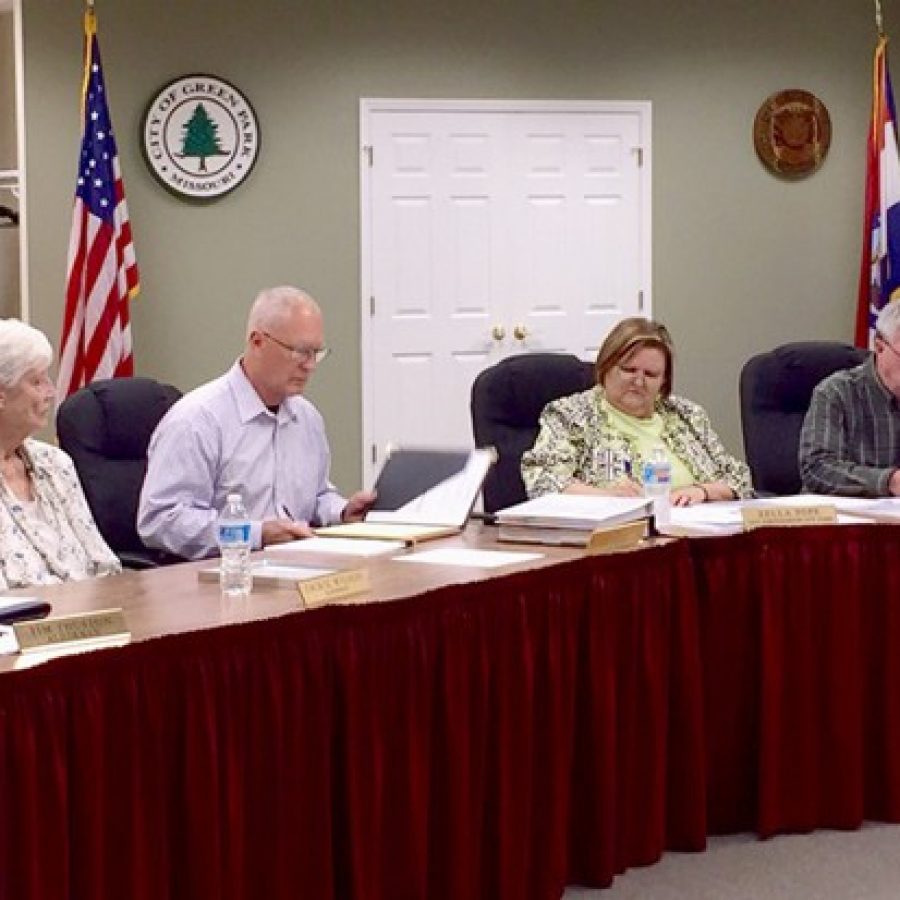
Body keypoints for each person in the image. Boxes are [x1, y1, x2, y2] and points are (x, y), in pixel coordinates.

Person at [138, 286, 375, 559]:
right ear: (257, 342)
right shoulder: (197, 420)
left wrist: (342, 512)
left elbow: (317, 497)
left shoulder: (307, 419)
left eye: (316, 353)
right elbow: (160, 520)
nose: (310, 366)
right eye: (300, 352)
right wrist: (256, 535)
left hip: (295, 569)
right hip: (219, 578)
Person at [521, 317, 752, 504]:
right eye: (629, 370)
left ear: (664, 381)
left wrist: (702, 491)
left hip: (694, 536)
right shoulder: (570, 414)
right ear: (606, 366)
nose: (639, 382)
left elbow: (739, 478)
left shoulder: (688, 415)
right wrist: (608, 497)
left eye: (650, 375)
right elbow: (542, 480)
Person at [0, 319, 121, 589]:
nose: (51, 393)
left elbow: (104, 565)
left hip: (87, 620)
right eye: (37, 382)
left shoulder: (55, 463)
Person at [799, 301, 900, 497]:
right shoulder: (836, 392)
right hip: (839, 521)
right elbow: (817, 468)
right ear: (879, 347)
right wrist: (890, 481)